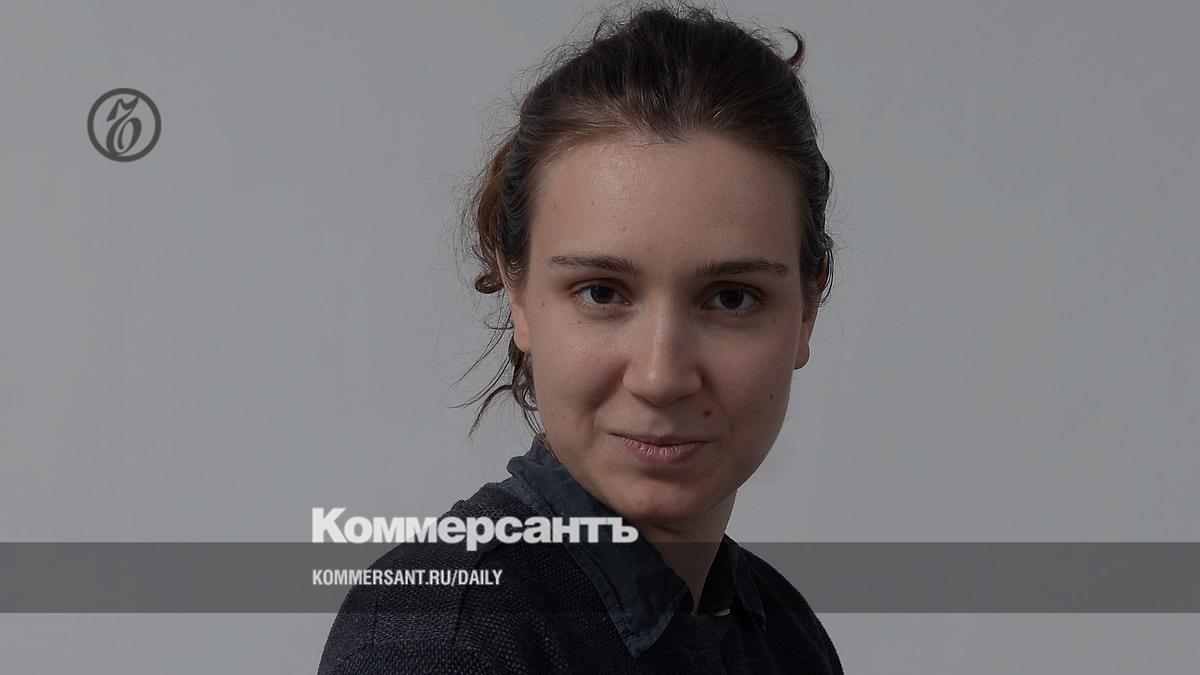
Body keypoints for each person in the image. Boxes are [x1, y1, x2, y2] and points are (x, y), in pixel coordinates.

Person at [318, 2, 842, 672]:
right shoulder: (442, 636)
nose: (660, 376)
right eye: (602, 292)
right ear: (518, 294)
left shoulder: (786, 635)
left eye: (731, 297)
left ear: (807, 310)